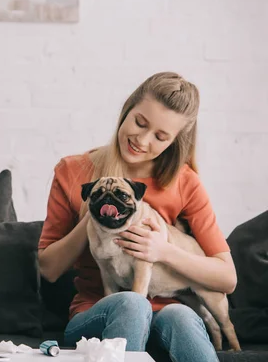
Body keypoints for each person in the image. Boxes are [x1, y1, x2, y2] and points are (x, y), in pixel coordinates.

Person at [38, 72, 237, 362]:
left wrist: (164, 250)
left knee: (181, 315)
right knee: (132, 304)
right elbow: (49, 268)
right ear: (127, 110)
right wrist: (96, 215)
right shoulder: (73, 171)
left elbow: (227, 278)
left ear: (174, 141)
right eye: (140, 123)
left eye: (160, 136)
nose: (142, 140)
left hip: (167, 310)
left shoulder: (185, 182)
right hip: (96, 311)